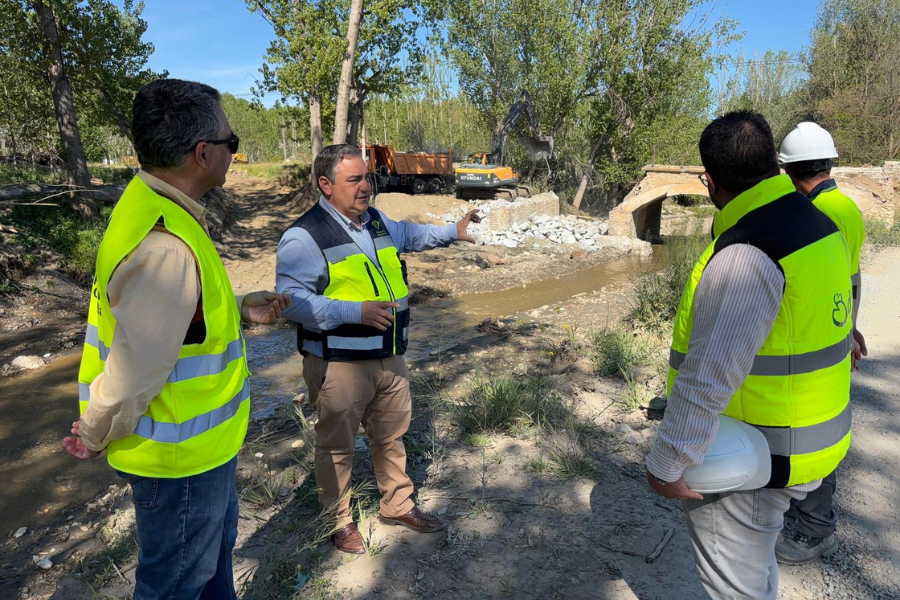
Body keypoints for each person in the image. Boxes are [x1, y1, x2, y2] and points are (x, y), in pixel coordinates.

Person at [62, 78, 290, 600]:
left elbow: (167, 326)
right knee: (173, 586)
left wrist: (234, 310)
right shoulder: (164, 244)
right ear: (203, 153)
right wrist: (94, 430)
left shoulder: (147, 204)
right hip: (180, 464)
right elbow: (133, 370)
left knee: (208, 575)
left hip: (200, 455)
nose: (236, 153)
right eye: (232, 143)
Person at [645, 111, 853, 600]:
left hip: (751, 453)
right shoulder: (818, 225)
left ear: (710, 182)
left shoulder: (747, 251)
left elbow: (709, 373)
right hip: (807, 439)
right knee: (755, 574)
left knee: (735, 589)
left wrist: (666, 462)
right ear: (772, 165)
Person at [275, 144, 481, 553]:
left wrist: (452, 232)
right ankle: (338, 522)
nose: (365, 186)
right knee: (336, 446)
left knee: (391, 436)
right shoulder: (304, 236)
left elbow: (411, 234)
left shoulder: (375, 221)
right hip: (338, 364)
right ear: (325, 184)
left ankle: (397, 505)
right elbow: (291, 302)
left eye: (367, 177)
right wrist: (354, 313)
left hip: (388, 356)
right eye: (354, 180)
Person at [775, 121, 866, 564]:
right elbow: (850, 278)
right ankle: (809, 514)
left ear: (788, 170)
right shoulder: (848, 208)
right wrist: (849, 327)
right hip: (834, 332)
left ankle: (815, 528)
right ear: (830, 163)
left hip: (813, 342)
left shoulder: (814, 214)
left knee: (811, 428)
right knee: (825, 424)